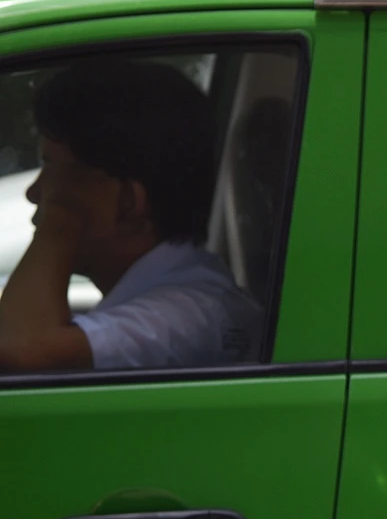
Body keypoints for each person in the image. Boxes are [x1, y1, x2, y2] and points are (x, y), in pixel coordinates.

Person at [0, 59, 264, 372]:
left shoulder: (189, 315)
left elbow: (20, 351)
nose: (34, 192)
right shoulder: (169, 300)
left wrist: (60, 223)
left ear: (128, 202)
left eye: (55, 173)